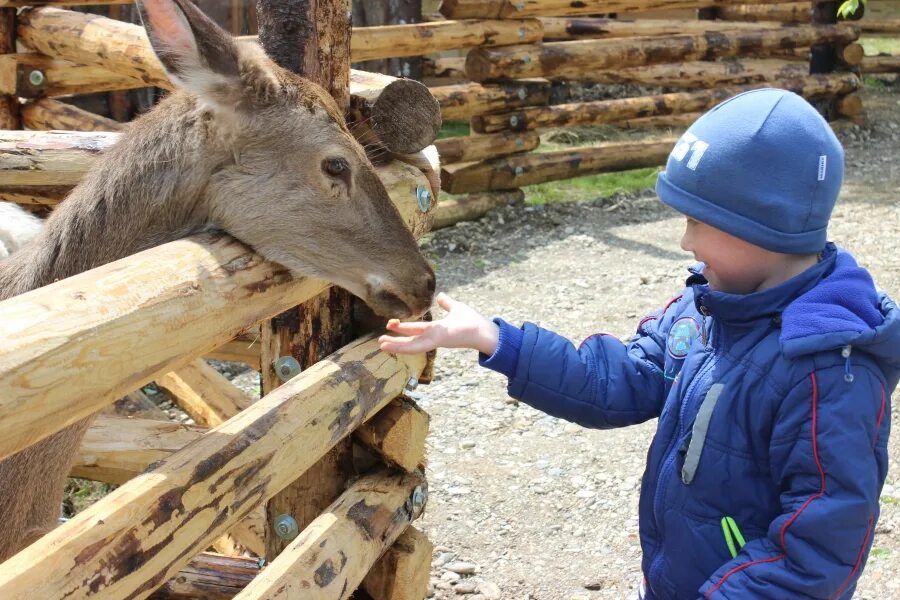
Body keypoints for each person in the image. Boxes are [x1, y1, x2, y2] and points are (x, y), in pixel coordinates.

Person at [380, 89, 900, 599]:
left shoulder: (831, 373)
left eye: (697, 221)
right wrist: (494, 338)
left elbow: (815, 557)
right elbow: (620, 381)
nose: (686, 242)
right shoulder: (712, 306)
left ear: (761, 227)